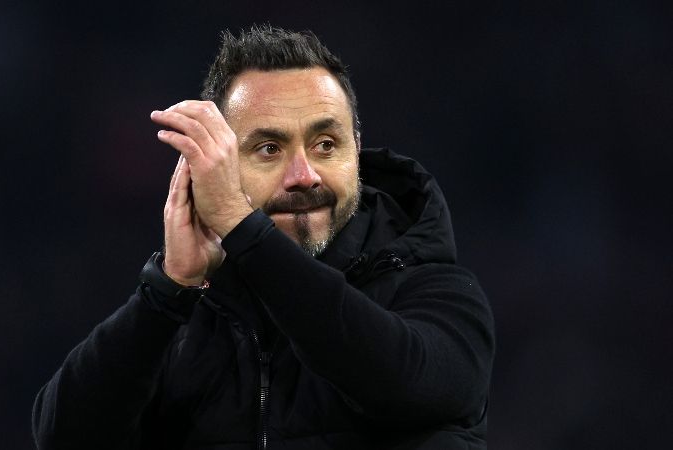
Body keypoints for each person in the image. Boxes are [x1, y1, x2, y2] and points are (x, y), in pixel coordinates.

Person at [32, 25, 495, 450]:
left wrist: (240, 226)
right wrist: (168, 290)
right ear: (216, 169)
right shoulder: (183, 321)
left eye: (326, 145)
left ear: (358, 150)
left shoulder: (435, 292)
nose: (304, 175)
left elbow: (403, 387)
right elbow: (62, 438)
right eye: (269, 149)